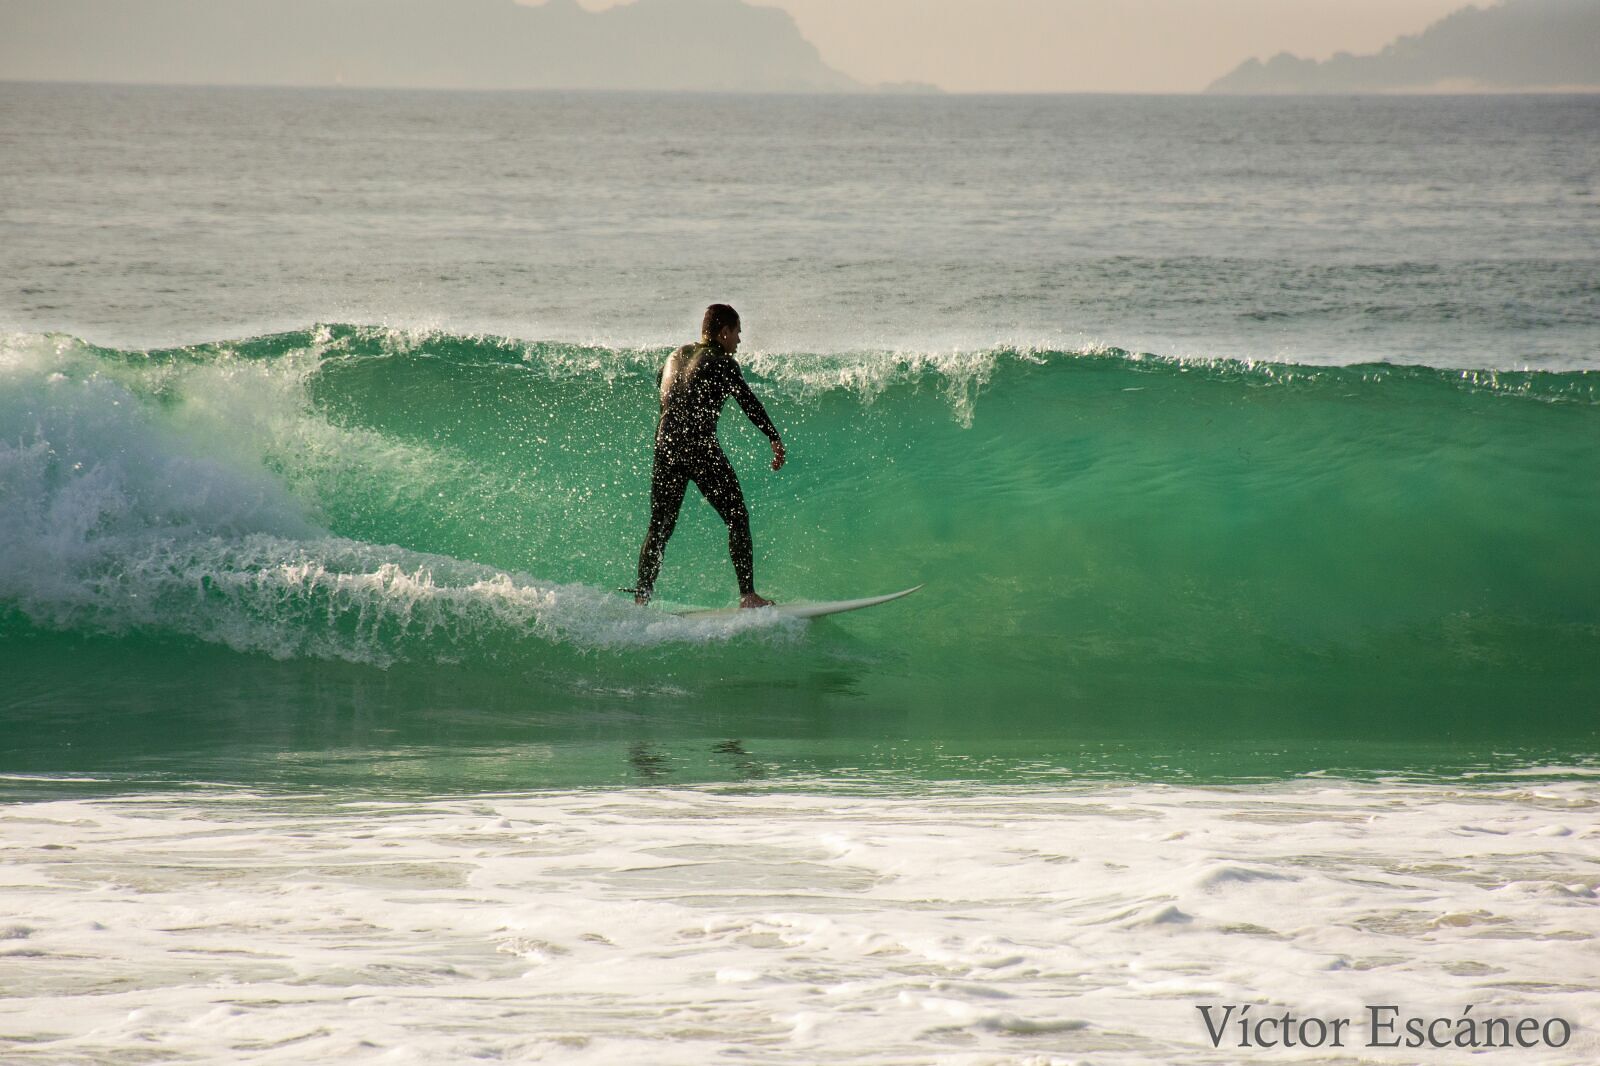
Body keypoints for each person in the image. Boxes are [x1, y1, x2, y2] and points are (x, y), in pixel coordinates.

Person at [632, 304, 785, 608]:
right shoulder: (722, 362)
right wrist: (773, 436)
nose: (739, 341)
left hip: (665, 446)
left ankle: (641, 598)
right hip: (698, 446)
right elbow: (747, 400)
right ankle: (748, 595)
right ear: (723, 332)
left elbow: (663, 385)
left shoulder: (674, 356)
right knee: (737, 516)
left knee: (660, 526)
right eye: (737, 333)